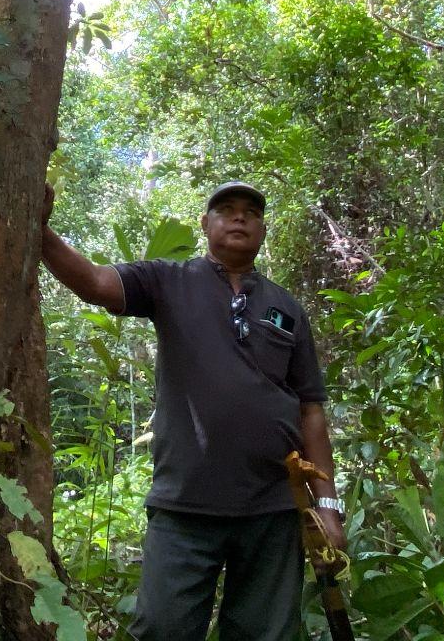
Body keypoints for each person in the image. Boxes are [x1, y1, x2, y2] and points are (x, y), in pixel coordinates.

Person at [40, 180, 344, 641]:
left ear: (263, 229)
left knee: (265, 633)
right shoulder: (167, 280)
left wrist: (328, 507)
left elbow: (311, 411)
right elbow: (95, 283)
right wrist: (40, 231)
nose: (239, 217)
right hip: (184, 505)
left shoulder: (287, 308)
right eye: (226, 209)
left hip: (274, 509)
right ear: (205, 224)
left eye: (250, 212)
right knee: (163, 628)